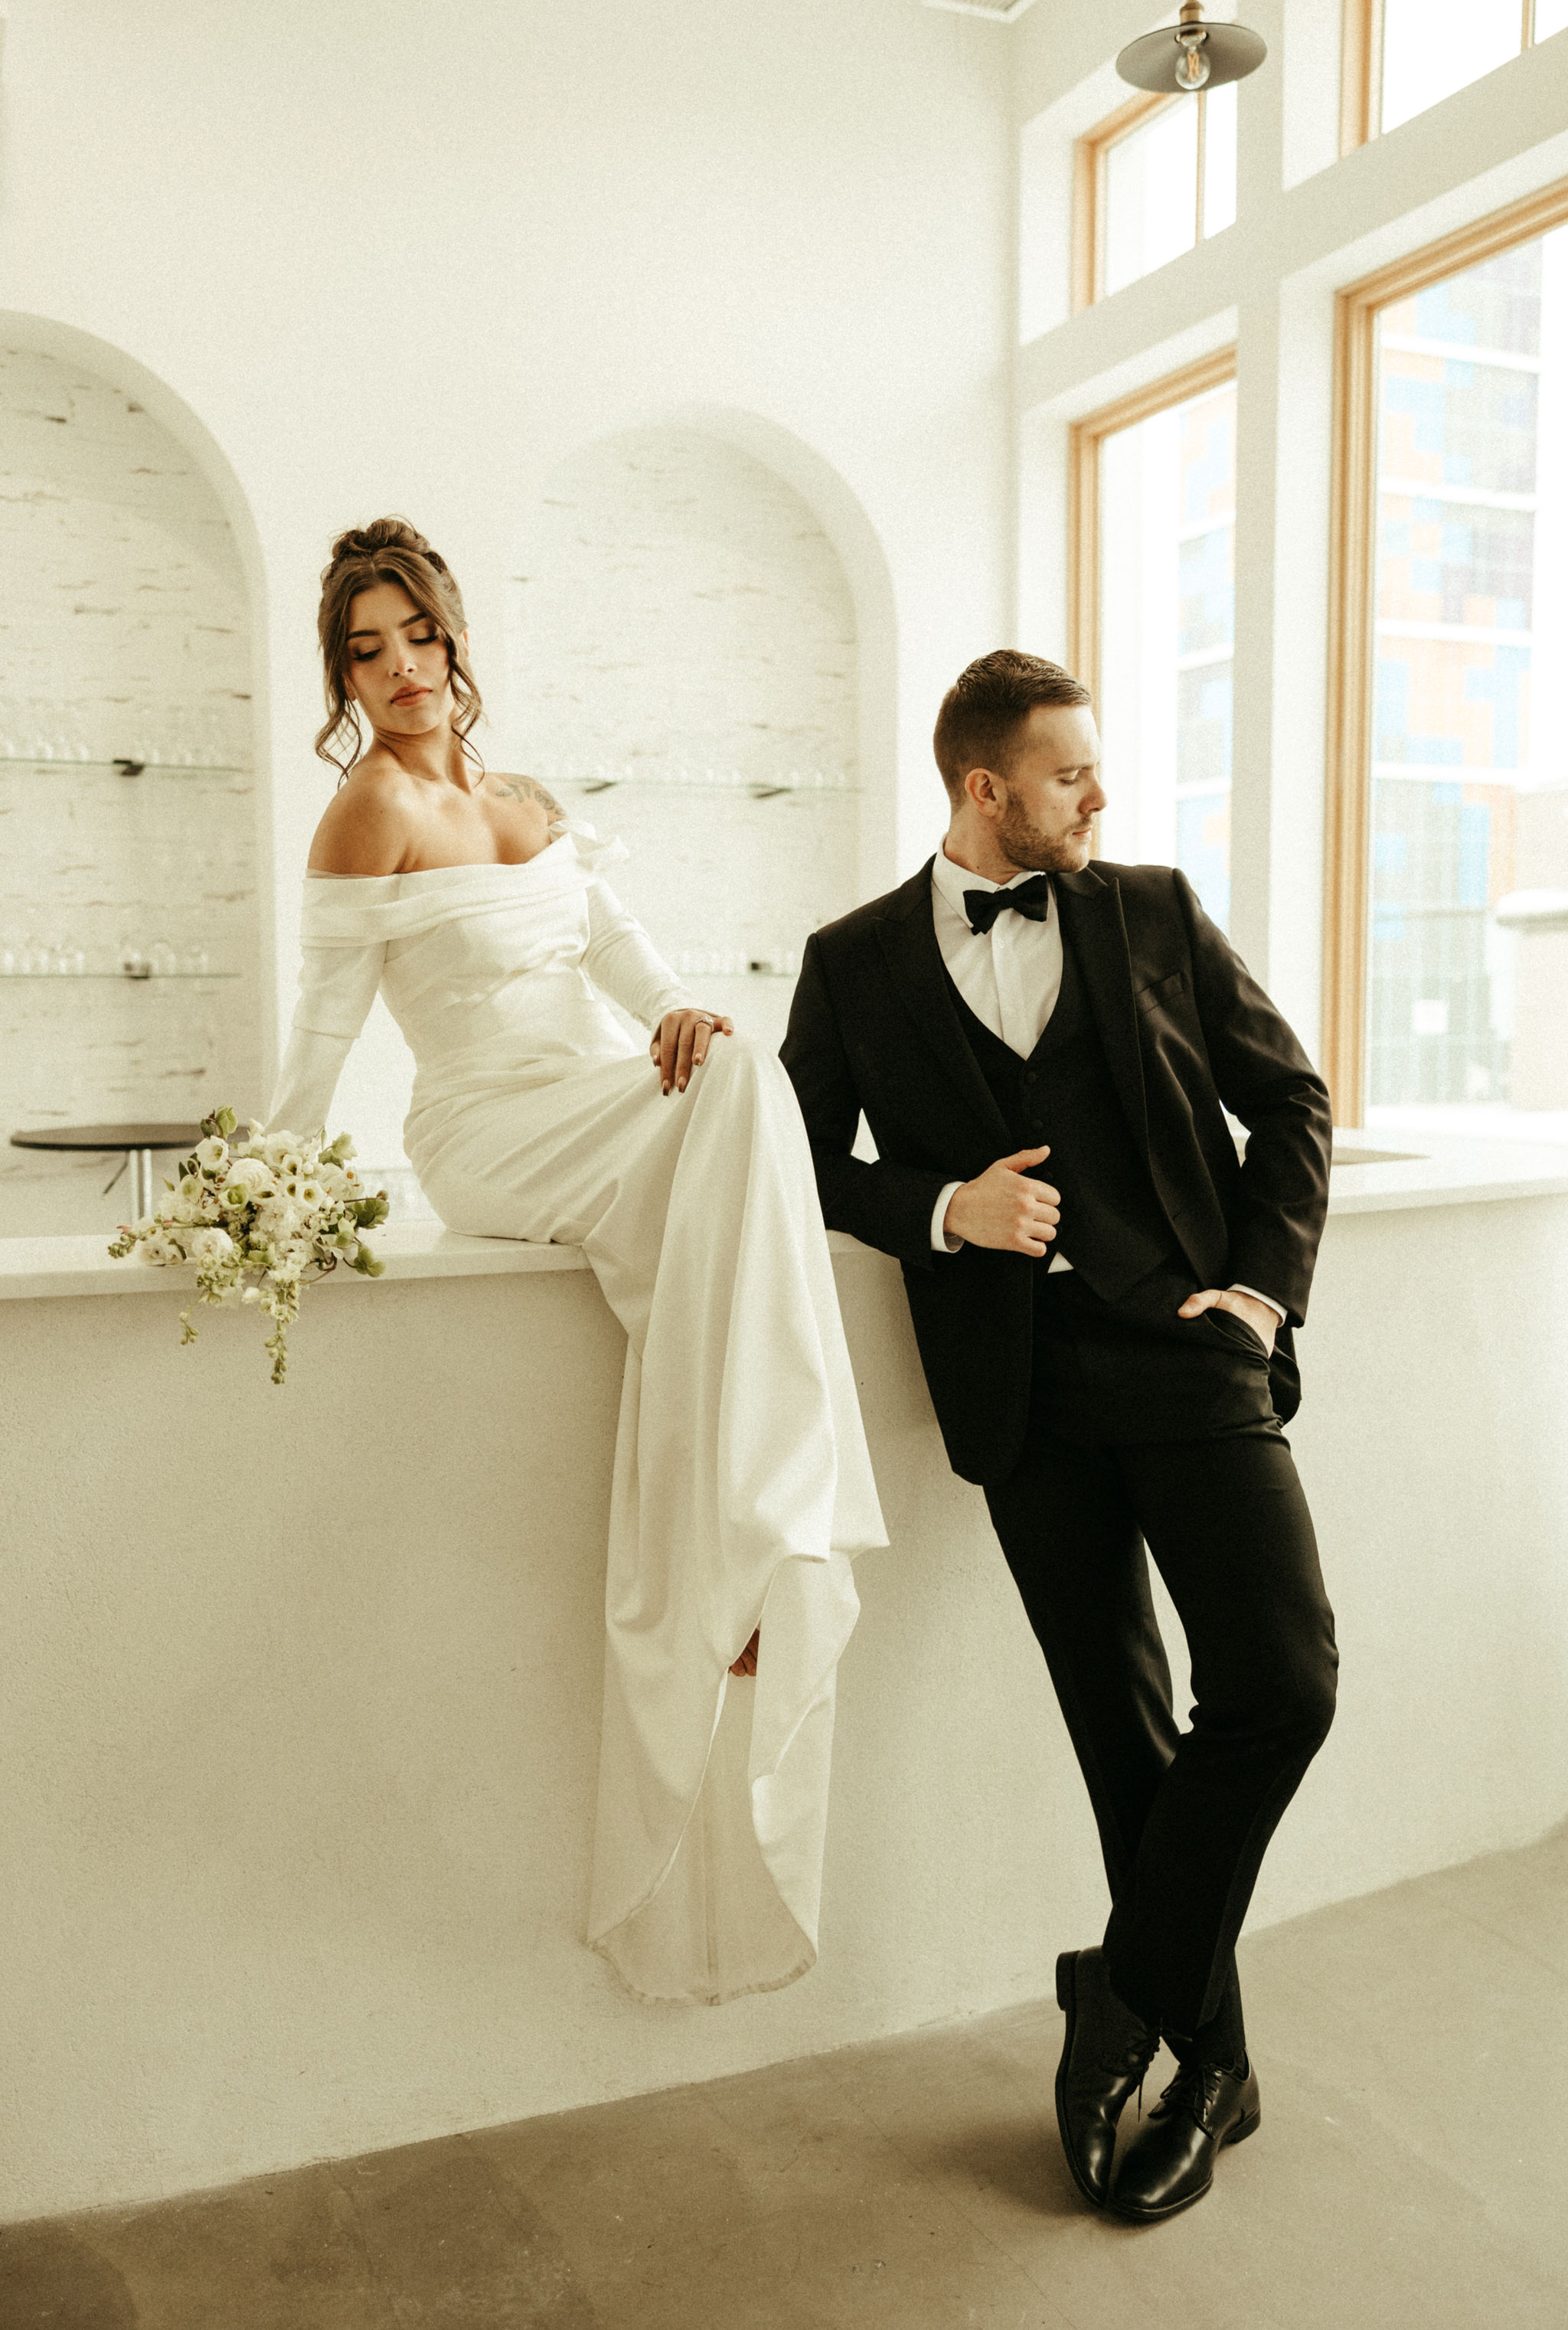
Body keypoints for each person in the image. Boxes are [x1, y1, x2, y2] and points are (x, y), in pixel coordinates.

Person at [267, 516, 885, 2008]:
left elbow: (627, 960)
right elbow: (324, 1034)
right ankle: (774, 1529)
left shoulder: (523, 799)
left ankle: (746, 1539)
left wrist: (678, 1011)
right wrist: (265, 1186)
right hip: (485, 1130)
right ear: (343, 675)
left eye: (419, 635)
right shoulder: (366, 813)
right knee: (741, 1102)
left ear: (456, 638)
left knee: (737, 1067)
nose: (402, 668)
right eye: (367, 649)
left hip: (600, 1094)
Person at [781, 649, 1338, 2222]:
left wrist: (1259, 1295)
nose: (1101, 795)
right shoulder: (852, 961)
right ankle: (1216, 2070)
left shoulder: (1152, 910)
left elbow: (1291, 1101)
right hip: (1022, 1397)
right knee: (1122, 1734)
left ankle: (1121, 1992)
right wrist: (939, 1208)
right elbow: (801, 1161)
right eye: (1071, 773)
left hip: (1188, 1354)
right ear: (987, 788)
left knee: (1282, 1683)